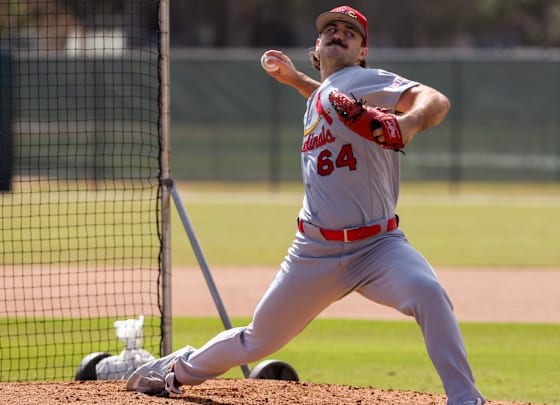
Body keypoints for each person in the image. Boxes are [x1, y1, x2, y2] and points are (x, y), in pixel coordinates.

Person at [127, 5, 486, 405]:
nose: (338, 33)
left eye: (350, 32)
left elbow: (436, 100)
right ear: (317, 45)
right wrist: (296, 79)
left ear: (363, 51)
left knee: (427, 292)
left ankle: (465, 398)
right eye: (329, 29)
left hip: (379, 247)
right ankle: (177, 370)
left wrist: (409, 122)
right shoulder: (324, 96)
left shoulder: (364, 80)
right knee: (258, 339)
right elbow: (327, 96)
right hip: (314, 251)